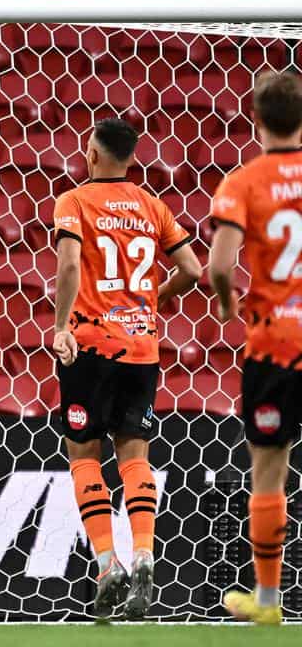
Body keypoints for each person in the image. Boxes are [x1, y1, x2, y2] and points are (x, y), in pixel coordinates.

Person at [49, 118, 202, 621]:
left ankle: (106, 563)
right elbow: (195, 270)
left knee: (83, 453)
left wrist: (61, 327)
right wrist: (150, 301)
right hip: (141, 347)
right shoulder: (152, 205)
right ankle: (144, 554)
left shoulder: (73, 201)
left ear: (91, 154)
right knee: (134, 452)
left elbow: (70, 266)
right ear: (131, 158)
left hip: (90, 347)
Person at [209, 70, 302, 626]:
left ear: (257, 118)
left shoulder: (243, 182)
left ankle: (267, 603)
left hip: (274, 345)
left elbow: (220, 263)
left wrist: (226, 302)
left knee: (269, 470)